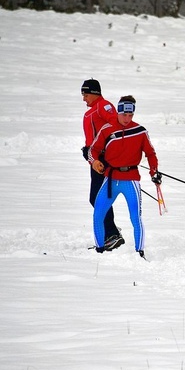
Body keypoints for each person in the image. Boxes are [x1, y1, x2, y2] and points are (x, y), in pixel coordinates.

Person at [89, 96, 160, 257]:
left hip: (131, 180)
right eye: (124, 115)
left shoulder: (140, 131)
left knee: (135, 217)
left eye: (131, 115)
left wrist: (154, 172)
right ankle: (99, 250)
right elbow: (93, 150)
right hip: (111, 179)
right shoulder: (107, 129)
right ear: (118, 112)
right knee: (98, 214)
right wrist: (95, 162)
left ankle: (139, 252)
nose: (128, 119)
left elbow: (151, 154)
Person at [81, 78, 124, 250]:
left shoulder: (104, 106)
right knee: (96, 197)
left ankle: (112, 234)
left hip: (104, 159)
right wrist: (88, 150)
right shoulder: (90, 112)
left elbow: (116, 126)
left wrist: (108, 151)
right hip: (96, 160)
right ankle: (110, 232)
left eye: (85, 94)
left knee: (97, 197)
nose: (83, 98)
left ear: (93, 92)